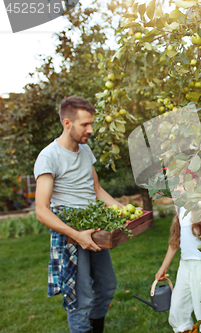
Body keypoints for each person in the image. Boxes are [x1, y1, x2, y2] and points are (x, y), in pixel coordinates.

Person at [34, 96, 125, 333]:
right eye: (85, 124)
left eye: (91, 123)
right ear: (67, 123)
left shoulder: (85, 150)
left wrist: (122, 210)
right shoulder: (49, 156)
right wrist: (77, 234)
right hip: (72, 232)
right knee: (81, 297)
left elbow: (96, 190)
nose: (91, 130)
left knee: (106, 286)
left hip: (93, 226)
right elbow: (42, 211)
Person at [156, 172, 201, 333]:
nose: (177, 189)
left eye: (181, 184)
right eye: (175, 185)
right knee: (178, 308)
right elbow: (174, 243)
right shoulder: (180, 208)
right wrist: (163, 268)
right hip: (185, 265)